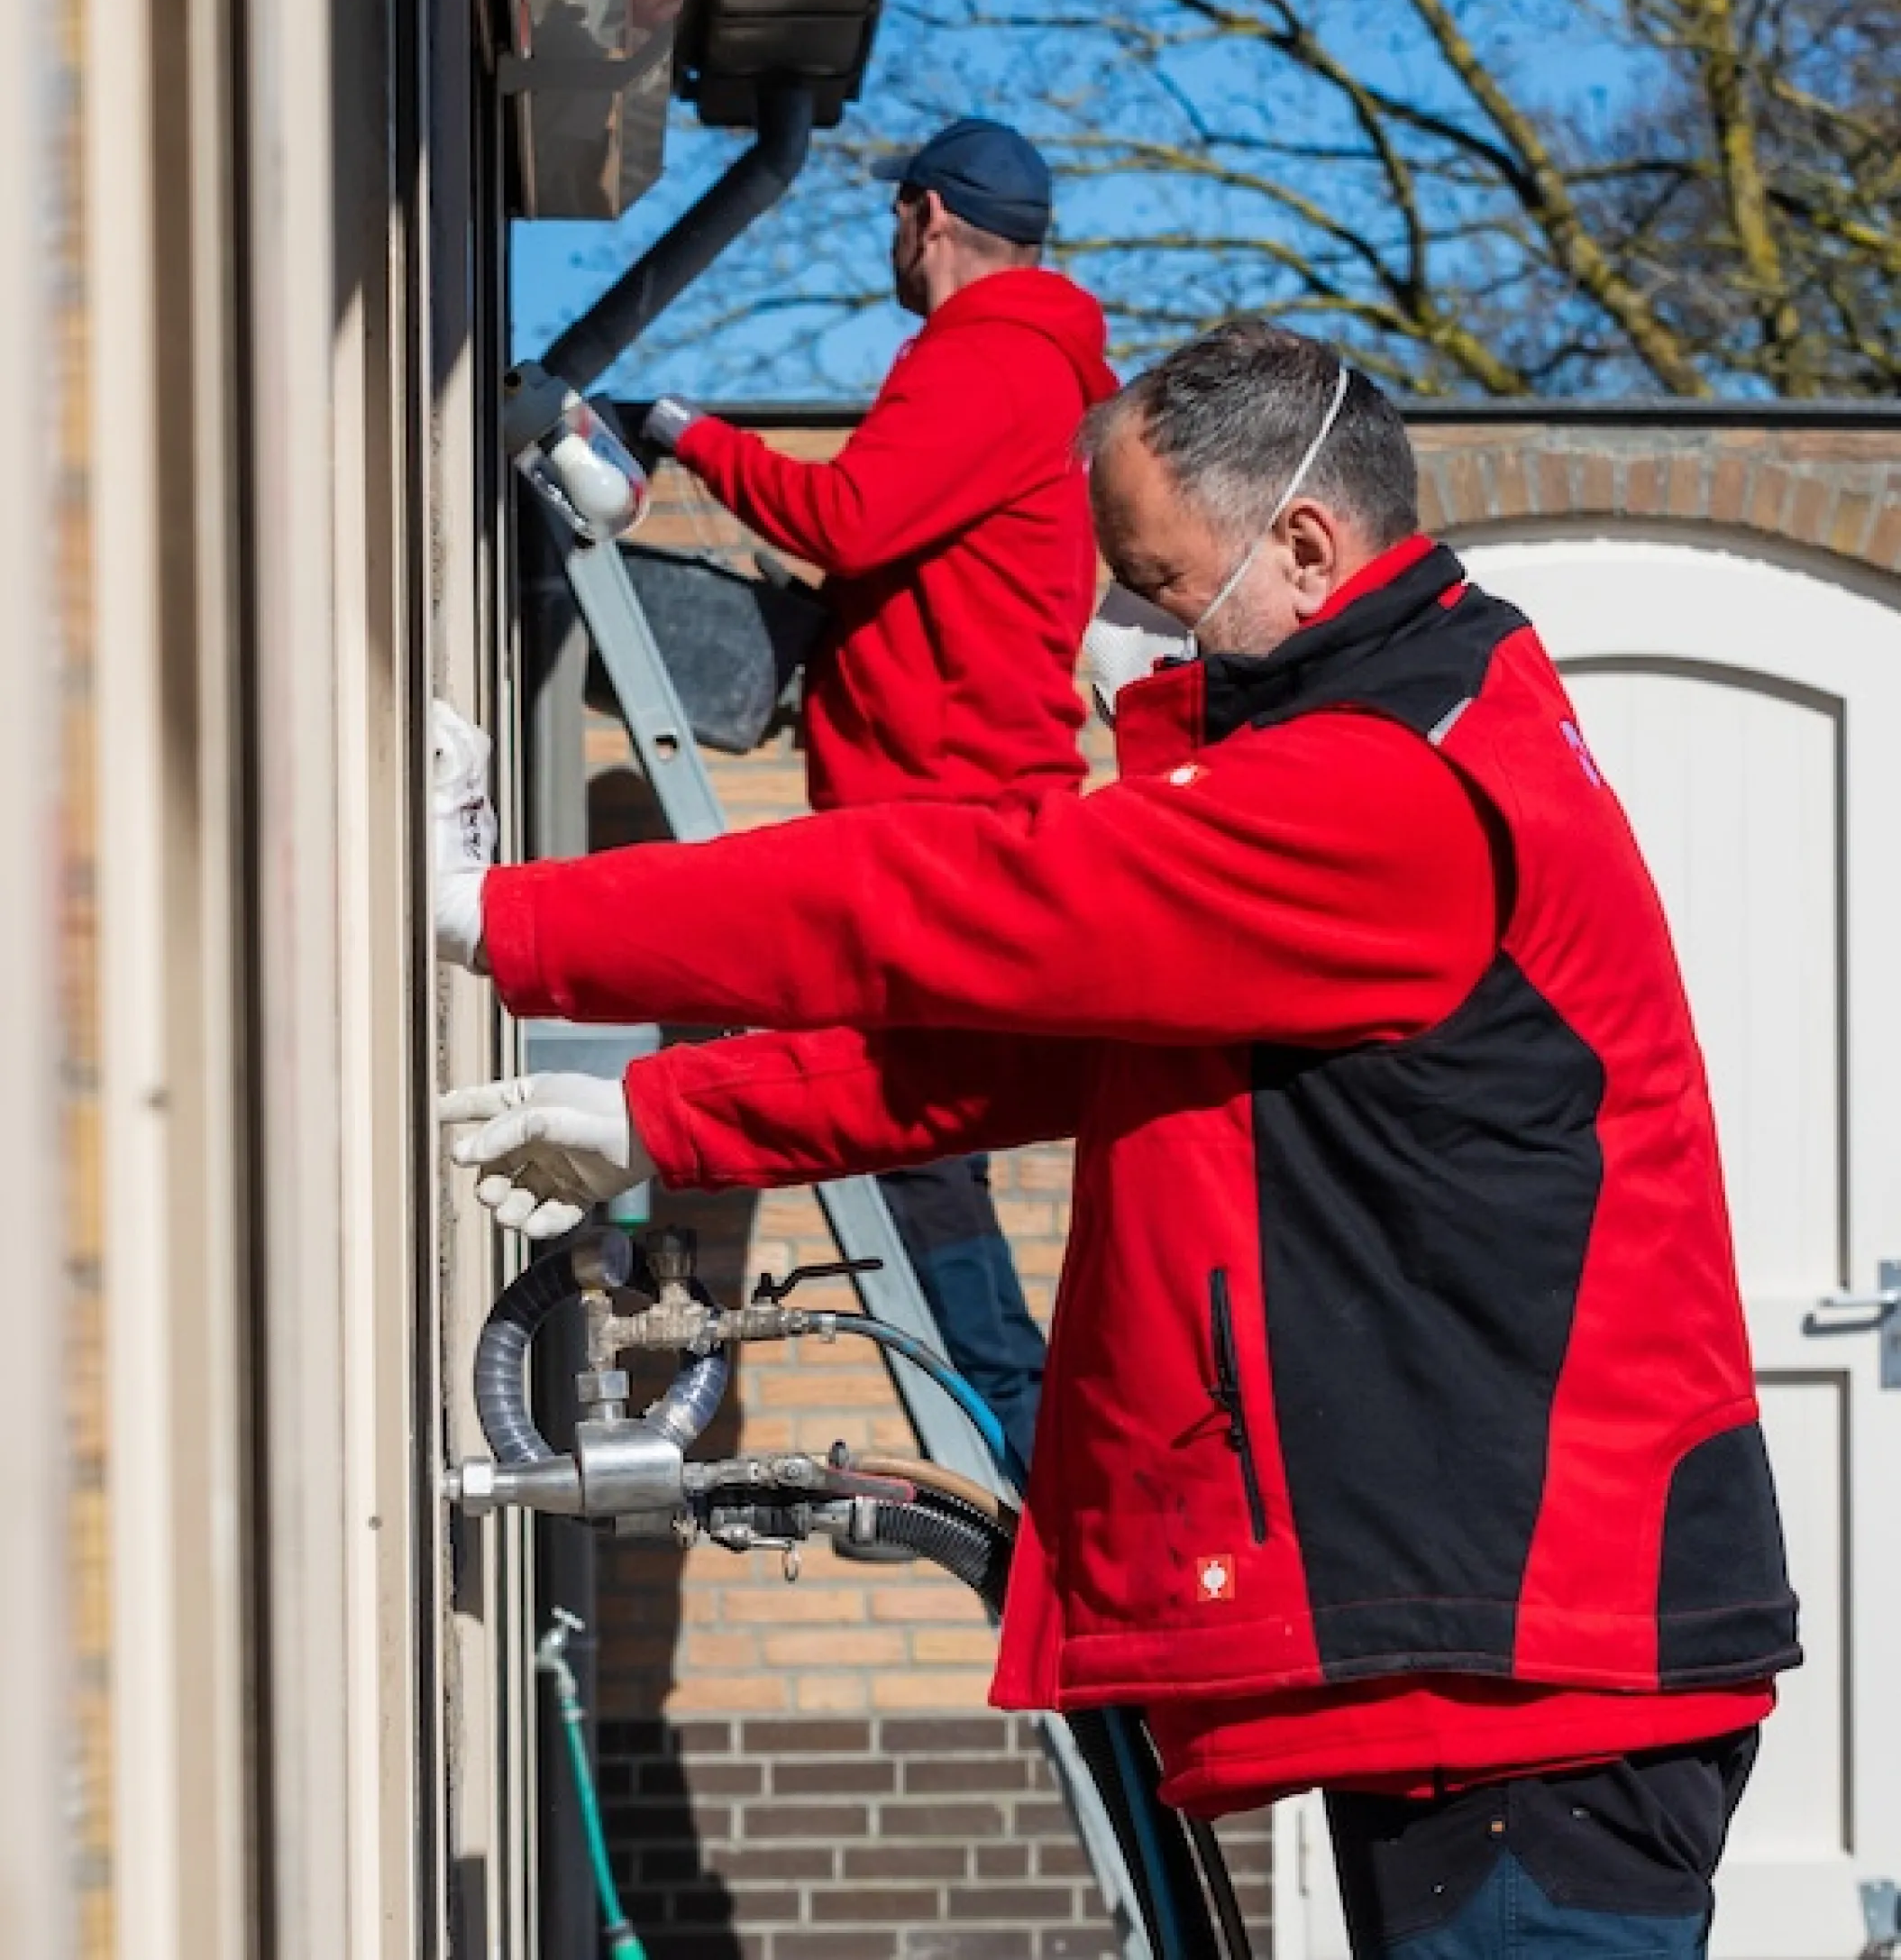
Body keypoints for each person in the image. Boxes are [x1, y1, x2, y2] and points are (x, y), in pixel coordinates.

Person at [436, 320, 1798, 1957]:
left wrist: (509, 923)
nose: (1132, 631)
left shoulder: (1384, 801)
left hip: (1539, 1676)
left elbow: (951, 904)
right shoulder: (1407, 727)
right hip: (1500, 1641)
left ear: (1305, 544)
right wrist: (660, 1116)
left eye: (1157, 583)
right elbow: (1041, 1053)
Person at [632, 116, 1116, 1466]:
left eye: (891, 227)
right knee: (915, 1161)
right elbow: (901, 567)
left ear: (924, 217)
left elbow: (848, 518)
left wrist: (686, 433)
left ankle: (1030, 1482)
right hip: (954, 811)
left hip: (940, 826)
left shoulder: (993, 358)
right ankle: (1033, 1466)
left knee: (909, 1157)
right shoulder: (1043, 369)